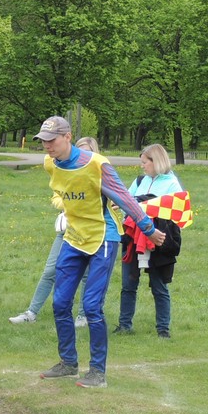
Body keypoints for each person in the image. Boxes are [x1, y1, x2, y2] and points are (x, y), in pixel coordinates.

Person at [34, 117, 165, 388]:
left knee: (92, 306)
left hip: (103, 237)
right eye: (44, 141)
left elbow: (124, 198)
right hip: (74, 237)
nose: (47, 146)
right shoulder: (50, 164)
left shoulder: (96, 164)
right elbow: (64, 193)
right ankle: (68, 363)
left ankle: (97, 372)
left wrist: (148, 228)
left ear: (68, 136)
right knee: (60, 303)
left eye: (52, 140)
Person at [9, 136, 101, 328]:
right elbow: (57, 195)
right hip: (67, 229)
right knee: (51, 269)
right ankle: (31, 313)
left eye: (86, 152)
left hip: (92, 232)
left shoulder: (98, 171)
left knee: (86, 275)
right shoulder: (65, 169)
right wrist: (66, 204)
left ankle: (83, 316)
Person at [115, 143, 184, 338]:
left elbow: (176, 212)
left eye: (145, 162)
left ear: (156, 161)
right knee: (129, 284)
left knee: (158, 285)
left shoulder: (172, 183)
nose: (142, 166)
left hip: (158, 239)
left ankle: (163, 330)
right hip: (133, 237)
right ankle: (124, 326)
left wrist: (145, 204)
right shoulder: (140, 181)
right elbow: (126, 203)